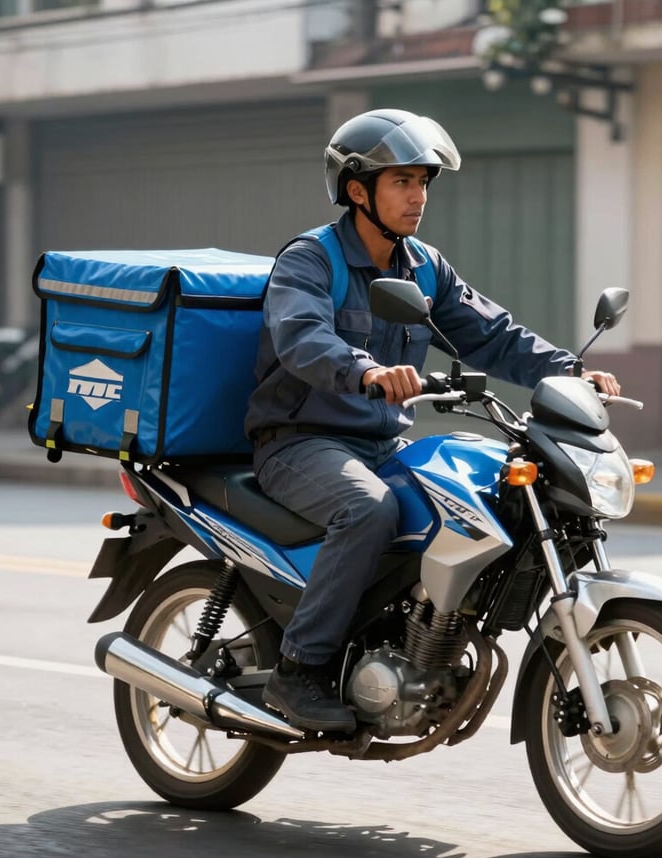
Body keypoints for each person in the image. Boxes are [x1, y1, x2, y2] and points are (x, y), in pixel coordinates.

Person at [245, 108, 621, 734]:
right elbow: (301, 337)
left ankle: (412, 639)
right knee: (367, 509)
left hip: (381, 443)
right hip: (301, 441)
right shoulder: (311, 260)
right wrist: (364, 370)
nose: (418, 196)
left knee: (484, 494)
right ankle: (299, 670)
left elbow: (491, 335)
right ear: (357, 189)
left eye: (423, 182)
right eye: (402, 182)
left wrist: (568, 370)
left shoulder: (422, 265)